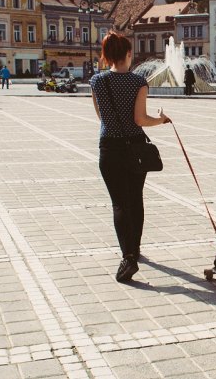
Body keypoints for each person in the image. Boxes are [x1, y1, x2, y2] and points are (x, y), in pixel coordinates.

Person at [90, 33, 171, 283]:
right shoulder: (139, 82)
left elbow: (101, 117)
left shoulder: (97, 81)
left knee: (120, 203)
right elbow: (140, 120)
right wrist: (162, 119)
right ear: (128, 54)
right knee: (136, 199)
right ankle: (134, 249)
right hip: (135, 148)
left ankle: (128, 257)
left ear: (106, 56)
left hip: (110, 148)